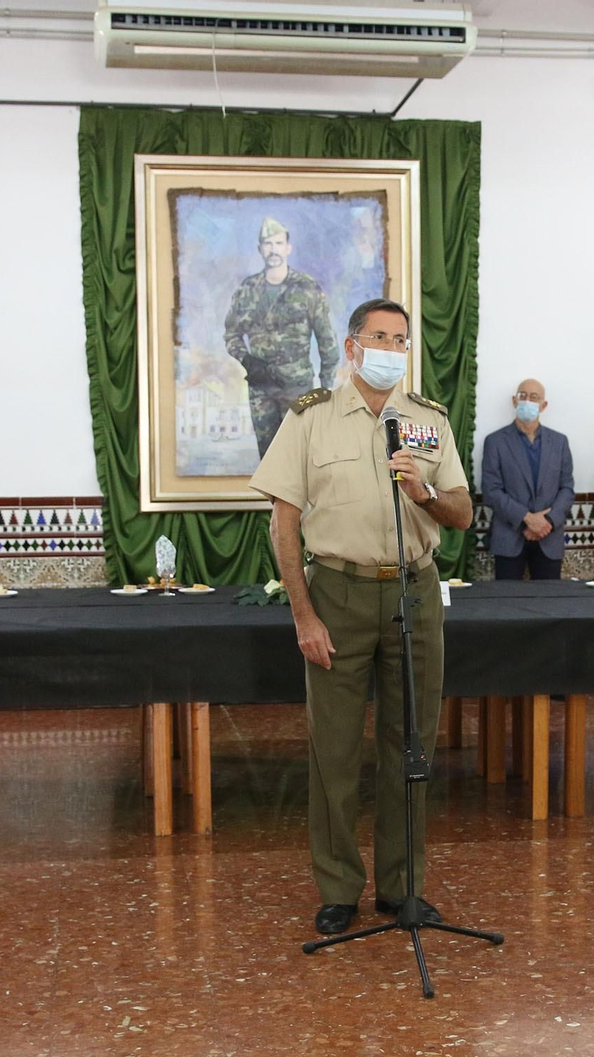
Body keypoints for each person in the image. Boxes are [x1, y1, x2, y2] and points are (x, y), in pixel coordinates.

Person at [250, 298, 472, 935]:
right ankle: (340, 887)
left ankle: (403, 888)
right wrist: (303, 616)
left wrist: (422, 492)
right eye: (379, 337)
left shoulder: (426, 421)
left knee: (412, 744)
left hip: (414, 590)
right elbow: (284, 522)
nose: (390, 349)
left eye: (400, 340)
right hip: (338, 593)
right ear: (352, 347)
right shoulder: (312, 419)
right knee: (336, 748)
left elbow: (460, 510)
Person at [223, 217, 339, 457]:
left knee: (299, 459)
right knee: (268, 461)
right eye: (267, 244)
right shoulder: (247, 290)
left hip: (297, 388)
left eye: (278, 243)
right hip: (261, 389)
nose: (273, 249)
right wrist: (246, 360)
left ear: (288, 248)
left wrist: (326, 388)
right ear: (259, 249)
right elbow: (231, 334)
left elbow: (327, 341)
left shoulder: (307, 288)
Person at [479, 379, 575, 579]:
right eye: (522, 396)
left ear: (543, 405)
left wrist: (546, 521)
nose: (527, 401)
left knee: (550, 605)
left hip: (549, 537)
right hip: (509, 538)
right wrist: (528, 519)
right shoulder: (495, 442)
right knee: (507, 605)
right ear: (514, 401)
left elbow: (567, 489)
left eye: (534, 397)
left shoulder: (559, 442)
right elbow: (491, 491)